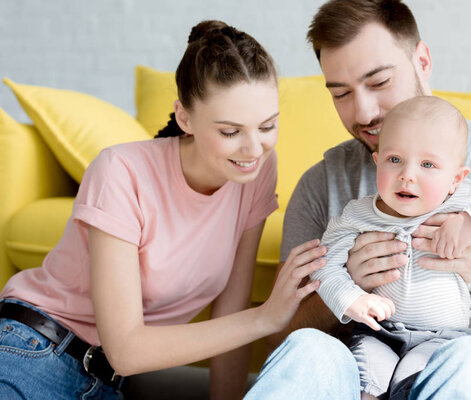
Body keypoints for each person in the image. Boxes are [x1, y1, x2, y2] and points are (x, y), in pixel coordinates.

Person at [0, 20, 356, 400]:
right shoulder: (120, 172)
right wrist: (266, 316)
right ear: (184, 117)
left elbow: (230, 315)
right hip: (33, 351)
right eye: (230, 132)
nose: (253, 149)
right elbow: (126, 350)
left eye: (267, 126)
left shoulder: (257, 172)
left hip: (105, 385)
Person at [269, 0, 471, 398]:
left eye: (378, 83)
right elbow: (280, 339)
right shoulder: (323, 183)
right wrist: (347, 286)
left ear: (422, 61)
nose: (364, 111)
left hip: (467, 377)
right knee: (309, 350)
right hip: (363, 376)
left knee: (469, 356)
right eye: (341, 93)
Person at [312, 96, 471, 399]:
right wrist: (351, 298)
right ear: (377, 161)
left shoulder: (462, 204)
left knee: (419, 384)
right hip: (379, 332)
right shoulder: (358, 215)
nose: (408, 174)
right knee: (365, 381)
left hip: (440, 339)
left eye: (428, 164)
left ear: (455, 180)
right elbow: (326, 267)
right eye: (394, 160)